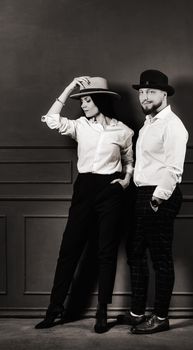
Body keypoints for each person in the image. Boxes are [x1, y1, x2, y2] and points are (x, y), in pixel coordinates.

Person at [35, 76, 134, 333]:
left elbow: (128, 159)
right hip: (84, 189)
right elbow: (52, 119)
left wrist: (125, 181)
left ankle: (102, 311)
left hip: (110, 191)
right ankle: (54, 310)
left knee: (106, 252)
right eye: (82, 101)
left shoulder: (123, 131)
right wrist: (69, 88)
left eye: (88, 100)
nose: (84, 105)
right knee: (69, 250)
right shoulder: (80, 125)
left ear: (101, 100)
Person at [117, 69, 188, 334]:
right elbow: (147, 162)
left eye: (151, 91)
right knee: (135, 254)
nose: (144, 96)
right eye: (142, 92)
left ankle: (160, 317)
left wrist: (157, 200)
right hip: (141, 194)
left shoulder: (173, 125)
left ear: (164, 94)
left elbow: (173, 169)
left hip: (159, 195)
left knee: (160, 259)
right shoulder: (149, 123)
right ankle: (137, 313)